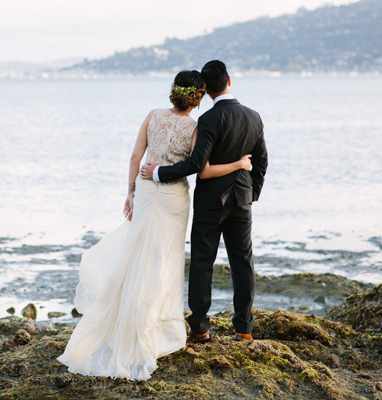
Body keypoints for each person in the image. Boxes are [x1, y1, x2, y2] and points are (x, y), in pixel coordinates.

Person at [57, 70, 252, 381]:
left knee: (137, 257)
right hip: (174, 197)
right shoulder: (194, 127)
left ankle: (126, 322)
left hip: (147, 192)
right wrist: (240, 164)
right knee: (165, 261)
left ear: (174, 91)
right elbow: (201, 169)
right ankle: (157, 327)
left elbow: (137, 155)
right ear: (197, 98)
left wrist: (131, 191)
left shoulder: (153, 115)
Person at [140, 60, 268, 343]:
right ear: (230, 81)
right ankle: (244, 328)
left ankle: (199, 328)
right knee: (243, 262)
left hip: (210, 201)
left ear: (207, 89)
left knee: (202, 262)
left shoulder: (209, 120)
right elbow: (261, 161)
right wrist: (251, 194)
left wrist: (159, 173)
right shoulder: (254, 116)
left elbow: (197, 164)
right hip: (242, 200)